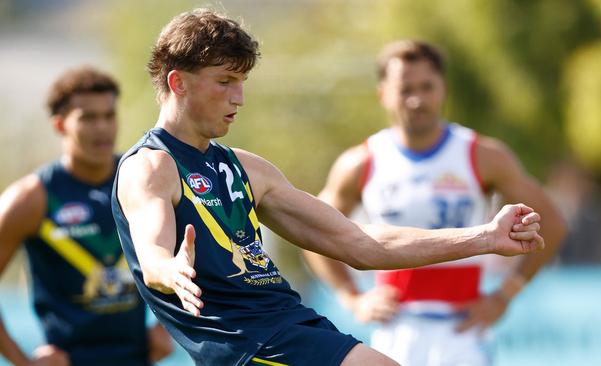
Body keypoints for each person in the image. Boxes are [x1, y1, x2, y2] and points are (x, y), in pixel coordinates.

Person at [111, 9, 545, 366]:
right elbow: (152, 255)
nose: (239, 98)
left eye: (242, 82)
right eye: (225, 81)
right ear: (178, 82)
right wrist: (171, 270)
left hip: (291, 326)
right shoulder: (151, 167)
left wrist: (485, 236)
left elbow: (360, 243)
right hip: (249, 345)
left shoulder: (247, 169)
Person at [302, 40, 567, 366]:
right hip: (395, 328)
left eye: (427, 87)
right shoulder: (360, 162)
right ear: (383, 93)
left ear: (443, 89)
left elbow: (552, 222)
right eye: (405, 89)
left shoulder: (482, 155)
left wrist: (505, 295)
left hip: (463, 331)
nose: (417, 99)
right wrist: (352, 298)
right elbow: (312, 232)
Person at [0, 66, 173, 366]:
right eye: (88, 118)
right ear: (60, 125)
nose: (102, 128)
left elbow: (195, 252)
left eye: (109, 115)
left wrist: (166, 326)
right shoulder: (32, 197)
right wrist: (22, 362)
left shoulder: (141, 179)